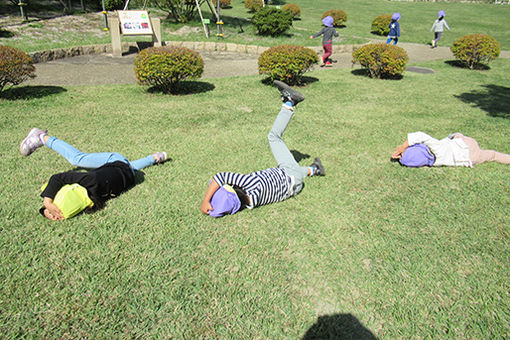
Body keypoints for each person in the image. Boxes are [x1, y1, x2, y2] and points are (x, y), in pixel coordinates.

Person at [200, 81, 326, 217]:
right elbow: (220, 177)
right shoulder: (248, 182)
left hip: (295, 187)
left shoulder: (251, 203)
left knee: (290, 171)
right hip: (289, 173)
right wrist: (205, 201)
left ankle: (314, 169)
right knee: (273, 137)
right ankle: (290, 102)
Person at [19, 128, 168, 220]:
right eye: (55, 215)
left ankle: (41, 137)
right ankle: (155, 157)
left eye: (52, 213)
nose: (55, 215)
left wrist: (47, 202)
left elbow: (57, 178)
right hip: (126, 172)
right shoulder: (93, 199)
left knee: (77, 159)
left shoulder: (88, 181)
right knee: (131, 167)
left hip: (114, 160)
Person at [391, 131, 510, 167]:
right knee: (455, 136)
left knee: (493, 155)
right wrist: (403, 147)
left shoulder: (435, 162)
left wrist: (402, 158)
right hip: (464, 144)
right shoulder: (435, 147)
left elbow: (411, 159)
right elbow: (420, 135)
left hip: (469, 159)